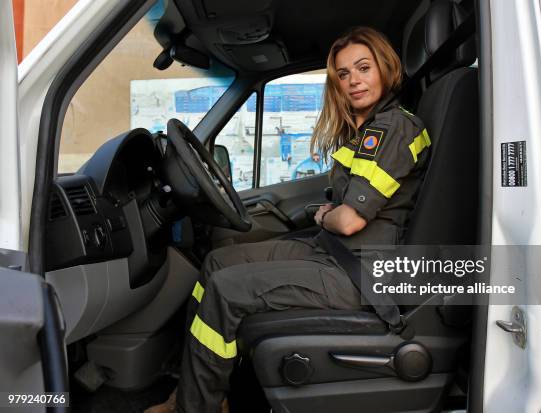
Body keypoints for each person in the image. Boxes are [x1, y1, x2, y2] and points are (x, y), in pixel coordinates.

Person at [145, 26, 431, 413]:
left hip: (362, 273)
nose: (354, 81)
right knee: (216, 263)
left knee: (226, 290)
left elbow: (348, 221)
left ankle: (196, 408)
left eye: (364, 68)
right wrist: (325, 214)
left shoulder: (395, 128)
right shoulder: (369, 130)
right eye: (343, 74)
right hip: (334, 254)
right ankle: (199, 390)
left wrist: (327, 215)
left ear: (385, 67)